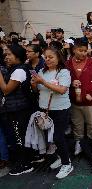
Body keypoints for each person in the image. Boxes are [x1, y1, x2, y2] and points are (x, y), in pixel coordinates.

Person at [31, 47, 73, 179]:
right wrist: (33, 83)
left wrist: (42, 81)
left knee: (58, 137)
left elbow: (61, 90)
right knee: (52, 138)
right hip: (45, 110)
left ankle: (67, 164)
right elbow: (37, 90)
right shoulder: (41, 71)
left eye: (51, 57)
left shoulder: (64, 72)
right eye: (46, 57)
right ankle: (61, 157)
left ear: (58, 58)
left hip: (60, 109)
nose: (47, 59)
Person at [65, 39, 92, 155]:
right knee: (77, 124)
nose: (83, 53)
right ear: (74, 49)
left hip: (91, 102)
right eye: (80, 50)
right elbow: (62, 80)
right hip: (74, 101)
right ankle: (78, 143)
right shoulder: (67, 64)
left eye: (85, 51)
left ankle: (90, 144)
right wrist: (71, 83)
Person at [0, 44, 33, 176]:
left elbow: (6, 90)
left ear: (17, 56)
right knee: (19, 136)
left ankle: (25, 164)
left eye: (9, 54)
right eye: (5, 54)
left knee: (21, 137)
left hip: (20, 110)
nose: (6, 57)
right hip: (15, 109)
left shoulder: (19, 71)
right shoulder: (14, 68)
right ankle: (24, 160)